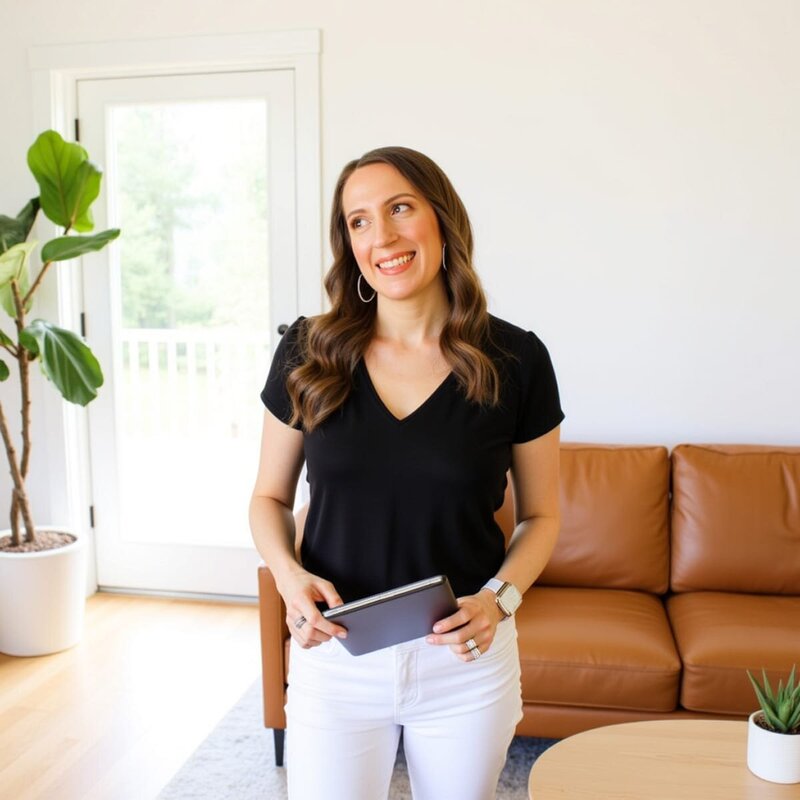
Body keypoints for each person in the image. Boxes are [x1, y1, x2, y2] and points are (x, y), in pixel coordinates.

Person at [249, 146, 564, 800]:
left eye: (399, 208)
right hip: (334, 660)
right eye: (359, 221)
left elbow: (542, 516)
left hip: (464, 664)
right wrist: (289, 576)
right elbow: (268, 498)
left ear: (442, 220)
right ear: (349, 246)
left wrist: (501, 600)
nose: (382, 236)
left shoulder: (518, 359)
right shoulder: (308, 352)